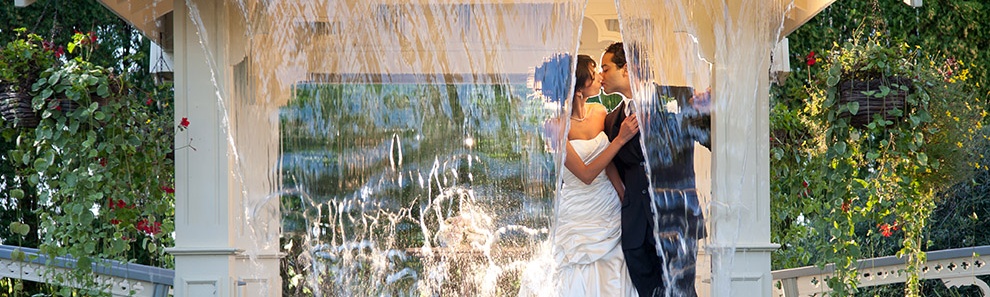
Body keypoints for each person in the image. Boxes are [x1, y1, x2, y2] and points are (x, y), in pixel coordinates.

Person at [600, 42, 711, 297]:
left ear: (626, 69)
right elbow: (616, 169)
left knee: (681, 292)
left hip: (677, 220)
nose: (600, 76)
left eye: (606, 69)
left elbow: (713, 140)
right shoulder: (611, 122)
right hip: (636, 229)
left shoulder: (679, 97)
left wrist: (712, 110)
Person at [550, 54, 640, 296]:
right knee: (579, 276)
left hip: (607, 205)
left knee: (615, 271)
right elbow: (586, 173)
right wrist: (620, 139)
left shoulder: (600, 112)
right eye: (593, 73)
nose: (600, 75)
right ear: (579, 88)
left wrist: (623, 196)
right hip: (578, 211)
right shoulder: (555, 127)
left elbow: (606, 161)